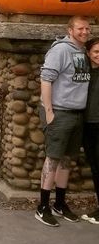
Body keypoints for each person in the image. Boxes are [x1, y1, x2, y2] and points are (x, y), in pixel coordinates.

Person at [36, 15, 91, 227]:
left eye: (87, 28)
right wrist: (49, 111)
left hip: (77, 113)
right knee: (53, 158)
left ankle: (59, 203)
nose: (84, 32)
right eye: (80, 28)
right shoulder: (60, 51)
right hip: (60, 112)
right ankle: (42, 206)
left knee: (67, 159)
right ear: (70, 30)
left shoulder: (82, 52)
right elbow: (46, 79)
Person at [81, 37, 99, 224]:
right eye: (96, 52)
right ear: (88, 53)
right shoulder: (84, 73)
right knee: (94, 167)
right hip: (87, 124)